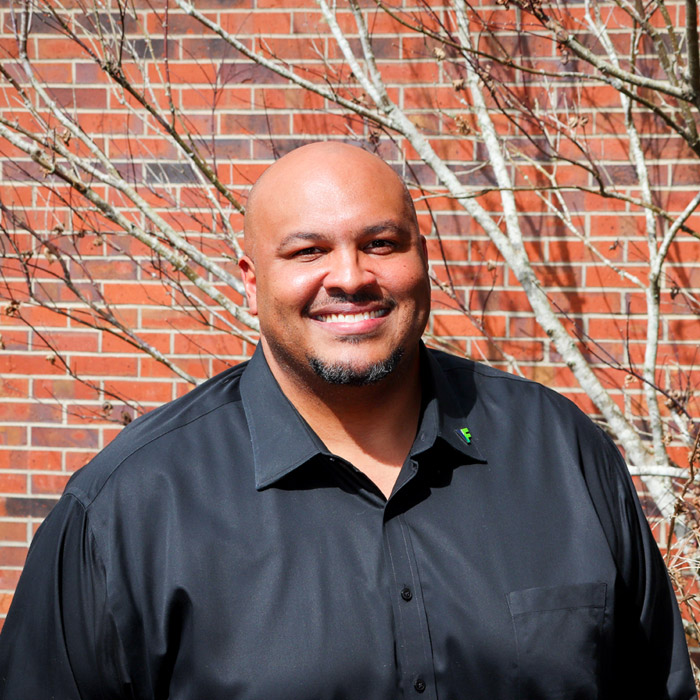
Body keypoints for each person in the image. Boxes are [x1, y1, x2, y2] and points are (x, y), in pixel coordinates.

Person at [0, 142, 694, 699]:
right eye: (308, 252)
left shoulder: (560, 455)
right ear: (249, 277)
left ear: (424, 257)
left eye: (382, 243)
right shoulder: (128, 508)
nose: (352, 276)